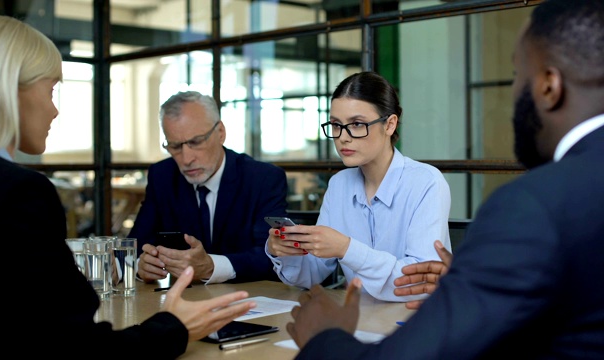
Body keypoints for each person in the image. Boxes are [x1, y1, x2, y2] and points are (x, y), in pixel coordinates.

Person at [286, 0, 604, 358]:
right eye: (338, 125)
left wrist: (323, 339)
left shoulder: (531, 206)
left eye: (518, 75)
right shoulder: (342, 185)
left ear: (549, 85)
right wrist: (469, 288)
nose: (513, 93)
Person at [0, 15, 256, 358]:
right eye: (51, 90)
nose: (55, 110)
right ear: (11, 90)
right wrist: (175, 328)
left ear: (219, 132)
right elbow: (74, 348)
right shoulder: (18, 192)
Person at [266, 71, 452, 302]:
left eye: (356, 124)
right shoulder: (339, 185)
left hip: (414, 320)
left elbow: (418, 280)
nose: (343, 137)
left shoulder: (426, 182)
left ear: (390, 124)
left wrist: (346, 249)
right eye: (336, 125)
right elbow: (313, 275)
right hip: (359, 319)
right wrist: (285, 252)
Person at [131, 91, 288, 284]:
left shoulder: (263, 179)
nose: (187, 159)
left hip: (249, 300)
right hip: (182, 302)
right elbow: (135, 246)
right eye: (175, 146)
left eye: (196, 142)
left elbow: (272, 256)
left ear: (220, 133)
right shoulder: (162, 175)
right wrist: (141, 265)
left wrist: (213, 267)